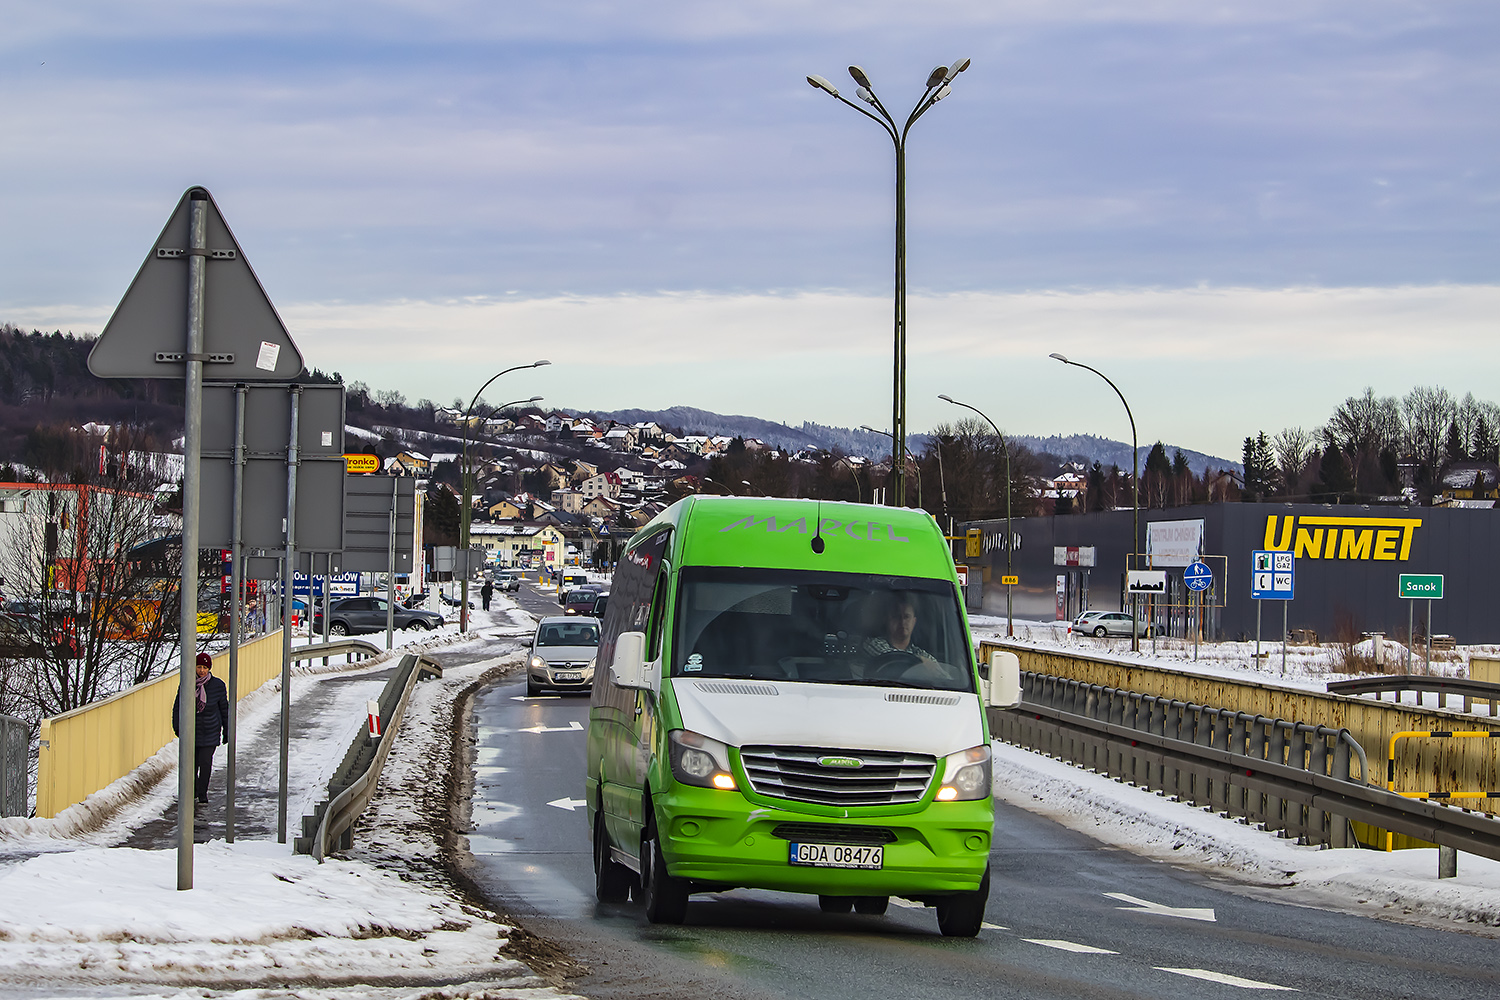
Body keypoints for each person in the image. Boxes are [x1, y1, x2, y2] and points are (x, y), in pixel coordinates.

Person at [172, 651, 230, 807]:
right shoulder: (187, 683)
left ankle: (202, 793)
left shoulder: (218, 685)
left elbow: (224, 709)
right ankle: (193, 790)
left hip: (210, 731)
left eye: (205, 667)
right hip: (191, 731)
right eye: (199, 667)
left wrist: (227, 730)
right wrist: (177, 727)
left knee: (205, 763)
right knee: (192, 764)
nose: (202, 670)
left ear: (209, 668)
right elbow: (178, 706)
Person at [862, 591, 936, 663]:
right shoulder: (873, 644)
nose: (902, 622)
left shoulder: (920, 654)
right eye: (896, 617)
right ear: (887, 620)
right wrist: (922, 663)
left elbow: (941, 673)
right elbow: (890, 658)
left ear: (914, 622)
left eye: (907, 617)